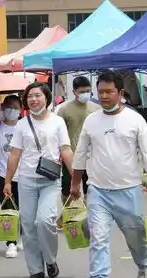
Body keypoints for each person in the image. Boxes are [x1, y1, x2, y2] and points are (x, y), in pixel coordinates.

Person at [70, 70, 147, 278]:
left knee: (136, 236)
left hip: (128, 189)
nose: (104, 96)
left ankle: (143, 267)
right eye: (100, 92)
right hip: (98, 191)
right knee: (98, 237)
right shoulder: (92, 121)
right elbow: (80, 154)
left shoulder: (134, 119)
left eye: (109, 92)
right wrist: (74, 184)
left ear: (120, 93)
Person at [4, 82, 73, 278]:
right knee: (28, 224)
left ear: (46, 97)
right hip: (26, 180)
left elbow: (66, 150)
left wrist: (76, 179)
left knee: (45, 221)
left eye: (37, 95)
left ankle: (50, 260)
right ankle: (35, 268)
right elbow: (15, 154)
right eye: (30, 97)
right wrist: (8, 181)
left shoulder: (57, 122)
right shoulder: (21, 124)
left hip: (50, 180)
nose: (33, 100)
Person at [0, 95, 23, 258]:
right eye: (8, 107)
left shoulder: (25, 126)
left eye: (15, 107)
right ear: (2, 109)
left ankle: (20, 235)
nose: (12, 111)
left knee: (22, 209)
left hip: (22, 174)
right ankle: (11, 243)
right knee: (8, 208)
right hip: (2, 174)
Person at [57, 76, 100, 205]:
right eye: (82, 92)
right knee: (67, 188)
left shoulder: (96, 109)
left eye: (88, 91)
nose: (85, 94)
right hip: (71, 156)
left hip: (91, 156)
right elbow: (58, 133)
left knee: (90, 188)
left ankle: (89, 215)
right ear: (74, 91)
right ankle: (66, 211)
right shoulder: (64, 109)